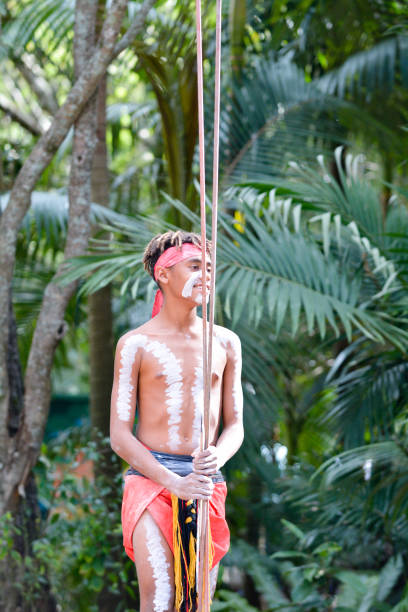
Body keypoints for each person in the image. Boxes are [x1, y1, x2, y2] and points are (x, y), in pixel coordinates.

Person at [110, 230, 244, 612]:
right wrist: (173, 482)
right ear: (163, 274)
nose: (206, 275)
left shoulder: (225, 342)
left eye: (210, 268)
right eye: (194, 266)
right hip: (152, 479)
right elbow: (120, 436)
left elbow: (236, 425)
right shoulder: (136, 344)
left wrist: (218, 456)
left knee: (197, 601)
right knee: (160, 600)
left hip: (204, 479)